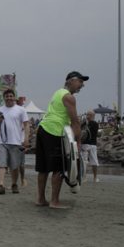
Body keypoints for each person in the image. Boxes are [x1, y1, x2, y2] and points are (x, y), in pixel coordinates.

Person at [35, 71, 88, 209]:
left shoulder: (57, 92)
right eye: (80, 82)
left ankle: (41, 199)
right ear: (70, 80)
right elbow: (75, 122)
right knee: (58, 168)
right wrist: (78, 142)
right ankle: (54, 201)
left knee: (43, 168)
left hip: (42, 129)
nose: (82, 85)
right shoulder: (69, 97)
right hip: (54, 131)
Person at [0, 89, 30, 195]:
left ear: (14, 97)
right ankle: (1, 185)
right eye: (7, 96)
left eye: (11, 96)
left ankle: (14, 184)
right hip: (2, 141)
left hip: (16, 141)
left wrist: (26, 138)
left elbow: (26, 125)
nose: (9, 98)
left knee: (14, 165)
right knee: (1, 164)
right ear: (4, 98)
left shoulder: (21, 110)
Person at [81, 110, 100, 183]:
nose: (87, 116)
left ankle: (84, 177)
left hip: (85, 144)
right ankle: (95, 178)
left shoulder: (84, 124)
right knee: (94, 161)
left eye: (88, 115)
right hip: (92, 144)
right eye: (87, 114)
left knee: (84, 162)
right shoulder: (95, 123)